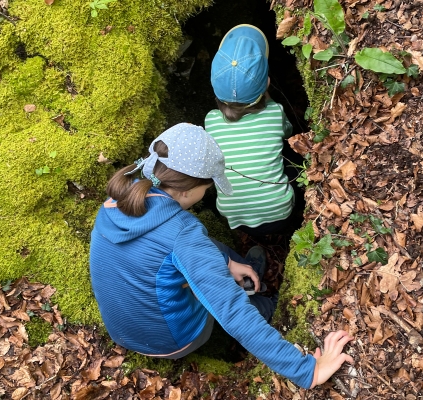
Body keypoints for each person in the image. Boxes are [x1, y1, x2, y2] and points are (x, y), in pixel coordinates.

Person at [89, 123, 353, 389]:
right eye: (208, 187)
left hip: (124, 329)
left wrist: (227, 263)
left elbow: (173, 246)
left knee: (206, 252)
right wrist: (308, 372)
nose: (207, 192)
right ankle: (268, 305)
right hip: (171, 339)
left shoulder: (117, 201)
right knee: (227, 294)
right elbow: (232, 312)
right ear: (186, 191)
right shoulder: (184, 235)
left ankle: (243, 268)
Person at [205, 24, 295, 237]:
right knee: (291, 159)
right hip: (281, 212)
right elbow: (289, 135)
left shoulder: (210, 121)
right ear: (268, 83)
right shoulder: (274, 112)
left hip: (236, 219)